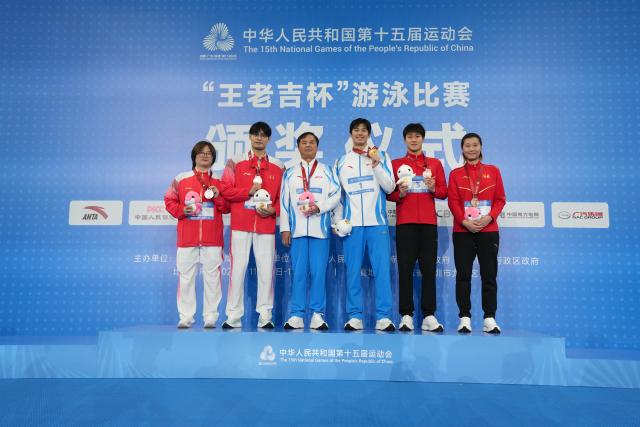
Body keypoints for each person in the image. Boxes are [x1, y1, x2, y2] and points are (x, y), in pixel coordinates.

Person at [218, 122, 284, 329]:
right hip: (240, 225)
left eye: (264, 135)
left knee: (266, 270)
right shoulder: (234, 162)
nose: (259, 138)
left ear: (269, 139)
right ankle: (233, 317)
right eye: (256, 134)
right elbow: (224, 190)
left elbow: (285, 198)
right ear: (250, 137)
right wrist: (247, 192)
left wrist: (275, 210)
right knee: (237, 270)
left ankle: (265, 316)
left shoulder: (278, 165)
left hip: (266, 226)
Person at [333, 118, 396, 331]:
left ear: (369, 134)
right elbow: (337, 196)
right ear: (351, 133)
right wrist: (339, 221)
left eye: (364, 131)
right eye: (356, 130)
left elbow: (389, 186)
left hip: (377, 223)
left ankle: (383, 316)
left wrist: (376, 163)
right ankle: (355, 316)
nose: (360, 134)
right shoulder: (341, 161)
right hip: (353, 226)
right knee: (352, 271)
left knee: (382, 270)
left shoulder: (382, 156)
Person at [387, 123, 447, 332]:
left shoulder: (435, 164)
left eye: (418, 136)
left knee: (429, 271)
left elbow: (443, 192)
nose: (414, 140)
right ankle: (406, 314)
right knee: (404, 270)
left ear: (423, 139)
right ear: (404, 140)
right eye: (410, 136)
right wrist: (400, 194)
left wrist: (433, 188)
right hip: (405, 223)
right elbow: (389, 193)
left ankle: (429, 315)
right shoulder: (396, 164)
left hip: (429, 224)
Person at [164, 141, 230, 328]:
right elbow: (169, 200)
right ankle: (186, 317)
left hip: (212, 238)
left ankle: (211, 317)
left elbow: (226, 207)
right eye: (201, 152)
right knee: (186, 278)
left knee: (212, 279)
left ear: (213, 158)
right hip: (187, 238)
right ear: (194, 156)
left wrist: (217, 196)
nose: (205, 155)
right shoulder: (181, 179)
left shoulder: (219, 182)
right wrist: (181, 210)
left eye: (209, 153)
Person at [280, 132, 341, 330]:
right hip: (297, 231)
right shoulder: (289, 173)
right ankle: (296, 314)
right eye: (303, 143)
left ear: (317, 146)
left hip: (320, 230)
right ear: (298, 147)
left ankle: (317, 314)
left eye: (311, 142)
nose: (308, 146)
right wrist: (285, 228)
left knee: (318, 272)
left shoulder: (326, 170)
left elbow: (336, 195)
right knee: (298, 273)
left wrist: (320, 207)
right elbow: (284, 202)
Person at [447, 132, 506, 334]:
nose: (471, 149)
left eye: (475, 145)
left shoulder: (493, 171)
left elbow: (500, 199)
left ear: (481, 147)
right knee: (463, 275)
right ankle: (464, 317)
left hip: (488, 230)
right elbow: (453, 201)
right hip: (463, 231)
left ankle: (489, 318)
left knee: (489, 275)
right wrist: (465, 222)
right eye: (467, 145)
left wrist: (488, 218)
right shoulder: (455, 174)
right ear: (462, 149)